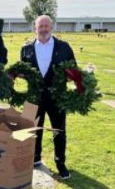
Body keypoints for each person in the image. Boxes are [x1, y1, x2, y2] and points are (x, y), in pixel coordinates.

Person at [21, 15, 75, 179]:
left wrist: (71, 77)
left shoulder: (64, 47)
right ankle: (35, 158)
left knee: (59, 131)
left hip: (56, 97)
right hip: (34, 97)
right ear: (35, 28)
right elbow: (23, 70)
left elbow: (73, 69)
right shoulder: (26, 48)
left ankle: (60, 163)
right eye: (40, 26)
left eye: (46, 26)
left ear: (51, 27)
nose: (43, 29)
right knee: (32, 129)